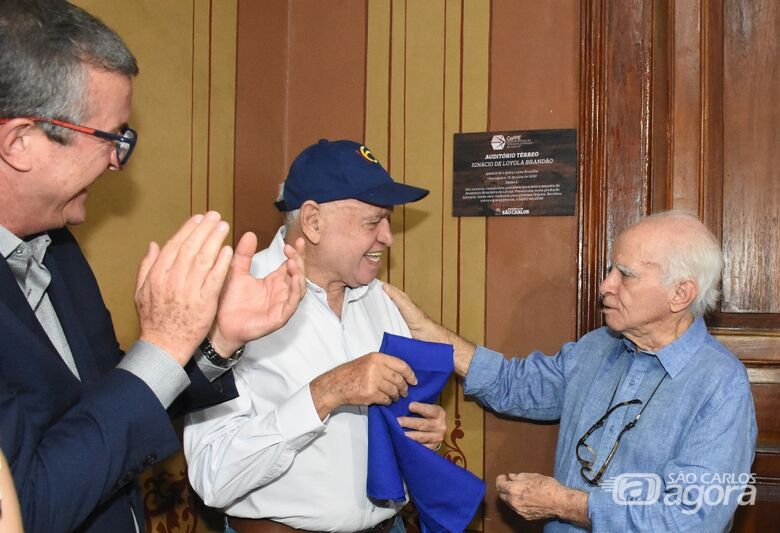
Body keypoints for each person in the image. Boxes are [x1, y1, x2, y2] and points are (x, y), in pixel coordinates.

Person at [0, 1, 305, 531]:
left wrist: (216, 343)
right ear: (20, 142)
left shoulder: (58, 248)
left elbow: (119, 399)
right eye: (113, 138)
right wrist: (164, 342)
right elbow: (28, 509)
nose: (118, 162)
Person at [384, 211, 757, 531]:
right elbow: (515, 385)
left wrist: (567, 505)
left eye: (624, 274)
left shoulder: (721, 385)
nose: (604, 286)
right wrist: (431, 334)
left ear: (681, 294)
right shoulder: (597, 346)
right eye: (610, 269)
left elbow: (693, 519)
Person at [185, 139, 448, 533]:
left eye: (387, 221)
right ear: (312, 221)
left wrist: (423, 432)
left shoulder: (383, 300)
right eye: (372, 222)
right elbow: (213, 478)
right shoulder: (232, 302)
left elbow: (396, 423)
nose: (388, 237)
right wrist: (325, 394)